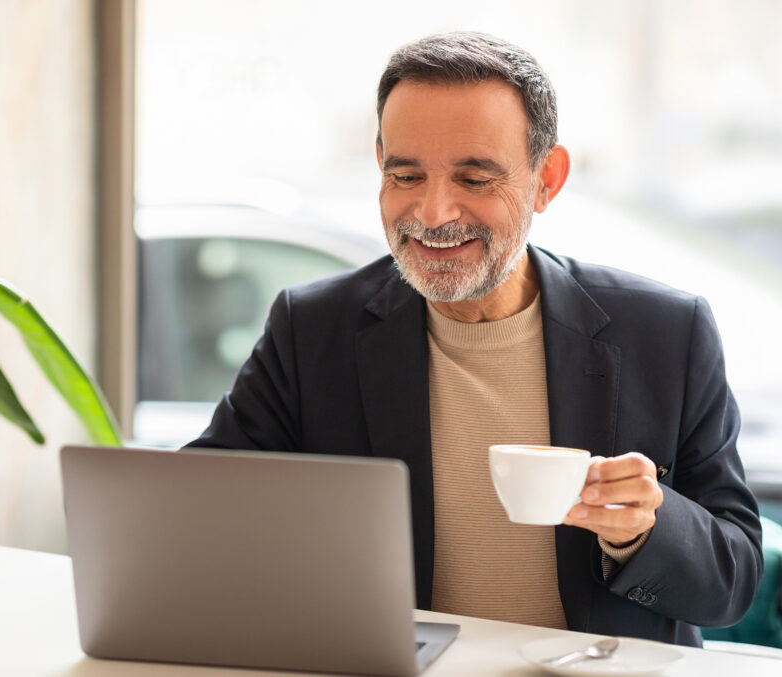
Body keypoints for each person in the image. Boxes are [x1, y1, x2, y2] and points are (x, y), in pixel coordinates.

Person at [187, 31, 762, 646]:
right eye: (405, 174)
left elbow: (735, 579)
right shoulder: (311, 329)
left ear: (547, 179)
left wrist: (644, 530)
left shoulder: (667, 333)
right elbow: (196, 515)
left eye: (475, 178)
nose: (433, 213)